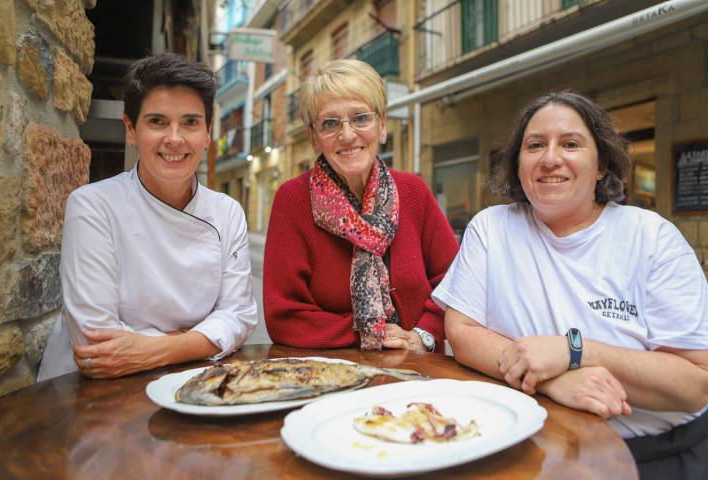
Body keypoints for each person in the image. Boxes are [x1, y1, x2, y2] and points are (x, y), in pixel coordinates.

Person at [433, 91, 708, 478]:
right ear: (518, 163)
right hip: (528, 448)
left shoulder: (652, 238)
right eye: (535, 145)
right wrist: (553, 381)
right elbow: (461, 333)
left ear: (601, 165)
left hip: (653, 454)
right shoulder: (492, 228)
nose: (550, 159)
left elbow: (695, 383)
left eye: (571, 144)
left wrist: (573, 350)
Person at [38, 53, 257, 380]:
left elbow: (238, 316)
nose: (175, 138)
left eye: (190, 122)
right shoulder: (93, 206)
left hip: (189, 380)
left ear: (208, 133)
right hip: (95, 394)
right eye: (157, 121)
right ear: (131, 129)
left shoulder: (227, 212)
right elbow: (96, 337)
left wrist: (155, 349)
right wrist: (200, 339)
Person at [263, 59, 458, 353]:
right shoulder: (292, 199)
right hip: (332, 373)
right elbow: (285, 316)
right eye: (330, 123)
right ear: (314, 138)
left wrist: (424, 334)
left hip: (419, 370)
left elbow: (457, 280)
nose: (347, 135)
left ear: (381, 126)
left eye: (360, 118)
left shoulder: (413, 191)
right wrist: (372, 334)